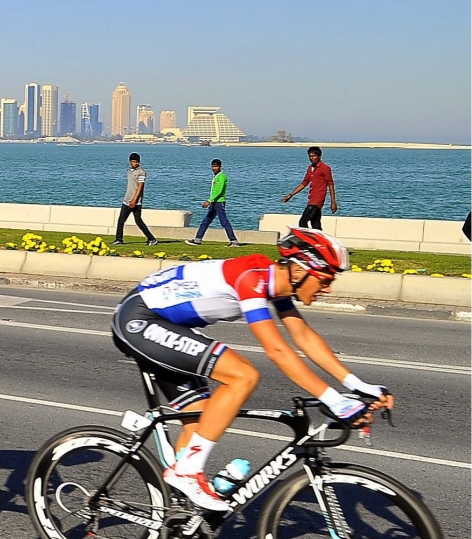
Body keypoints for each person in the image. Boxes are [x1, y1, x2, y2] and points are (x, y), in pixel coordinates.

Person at [112, 228, 388, 511]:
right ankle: (186, 472)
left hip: (169, 325)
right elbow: (278, 351)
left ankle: (179, 519)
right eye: (325, 279)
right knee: (243, 375)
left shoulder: (275, 283)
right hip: (140, 320)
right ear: (299, 271)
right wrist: (335, 400)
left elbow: (304, 337)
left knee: (203, 423)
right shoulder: (252, 278)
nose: (328, 288)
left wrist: (357, 385)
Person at [282, 146, 338, 231]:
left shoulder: (325, 168)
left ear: (319, 156)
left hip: (317, 200)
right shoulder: (310, 168)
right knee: (315, 225)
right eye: (310, 156)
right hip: (311, 198)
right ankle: (321, 243)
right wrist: (290, 195)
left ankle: (308, 242)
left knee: (303, 222)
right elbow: (304, 183)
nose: (312, 158)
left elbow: (330, 184)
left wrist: (333, 202)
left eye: (314, 156)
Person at [187, 159, 238, 246]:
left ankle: (233, 241)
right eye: (213, 166)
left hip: (218, 203)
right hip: (214, 203)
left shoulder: (222, 177)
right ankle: (198, 239)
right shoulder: (217, 177)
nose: (214, 168)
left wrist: (209, 201)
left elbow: (219, 191)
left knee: (224, 222)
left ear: (220, 167)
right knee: (206, 221)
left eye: (216, 166)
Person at [113, 153, 156, 245]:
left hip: (136, 202)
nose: (135, 163)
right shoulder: (129, 171)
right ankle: (119, 239)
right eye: (133, 162)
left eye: (136, 162)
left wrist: (134, 200)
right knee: (120, 221)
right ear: (130, 162)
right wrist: (128, 200)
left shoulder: (141, 172)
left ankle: (152, 239)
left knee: (138, 221)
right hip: (126, 200)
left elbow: (140, 187)